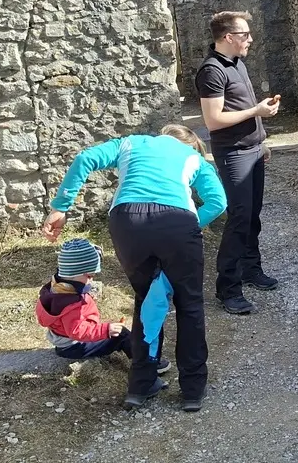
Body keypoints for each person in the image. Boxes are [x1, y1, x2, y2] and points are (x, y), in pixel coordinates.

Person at [40, 125, 226, 412]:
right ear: (189, 145)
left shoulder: (130, 143)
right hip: (177, 222)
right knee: (189, 304)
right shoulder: (194, 158)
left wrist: (61, 207)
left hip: (128, 221)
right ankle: (192, 390)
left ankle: (140, 387)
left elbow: (85, 158)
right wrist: (192, 226)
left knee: (148, 298)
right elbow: (218, 201)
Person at [196, 11, 281, 316]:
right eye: (245, 35)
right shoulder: (211, 71)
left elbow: (243, 107)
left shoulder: (237, 63)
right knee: (239, 219)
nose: (250, 40)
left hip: (253, 149)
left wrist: (262, 138)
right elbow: (213, 120)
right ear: (228, 37)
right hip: (233, 154)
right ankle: (228, 289)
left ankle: (251, 270)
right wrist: (256, 112)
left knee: (252, 215)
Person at [35, 238, 170, 374]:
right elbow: (77, 331)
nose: (91, 280)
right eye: (89, 276)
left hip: (63, 343)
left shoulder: (54, 289)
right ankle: (147, 363)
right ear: (73, 273)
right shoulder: (72, 302)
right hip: (75, 346)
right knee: (121, 335)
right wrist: (106, 330)